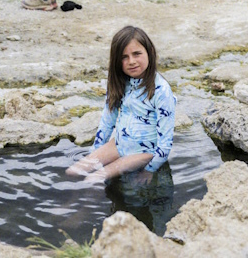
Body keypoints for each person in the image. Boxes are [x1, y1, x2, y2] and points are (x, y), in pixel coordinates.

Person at [67, 25, 176, 182]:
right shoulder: (120, 83)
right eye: (124, 57)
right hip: (119, 144)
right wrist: (95, 154)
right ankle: (69, 201)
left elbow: (165, 143)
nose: (131, 61)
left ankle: (82, 206)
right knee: (74, 171)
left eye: (137, 54)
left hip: (144, 151)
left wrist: (149, 170)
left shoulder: (161, 90)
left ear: (150, 52)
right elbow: (107, 122)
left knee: (94, 179)